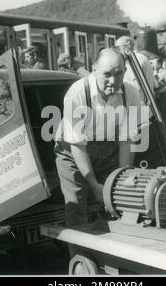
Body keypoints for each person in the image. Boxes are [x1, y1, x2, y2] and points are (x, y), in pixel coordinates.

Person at [54, 48, 142, 227]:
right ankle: (78, 253)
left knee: (120, 199)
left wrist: (121, 180)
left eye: (118, 74)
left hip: (107, 150)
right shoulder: (77, 93)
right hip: (72, 151)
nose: (113, 80)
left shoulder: (131, 93)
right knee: (76, 202)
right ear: (94, 68)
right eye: (107, 74)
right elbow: (77, 146)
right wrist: (94, 186)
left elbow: (127, 141)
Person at [115, 36, 157, 102]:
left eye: (118, 47)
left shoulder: (134, 60)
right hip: (144, 102)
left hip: (138, 104)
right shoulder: (141, 58)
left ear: (128, 44)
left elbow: (134, 87)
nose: (117, 51)